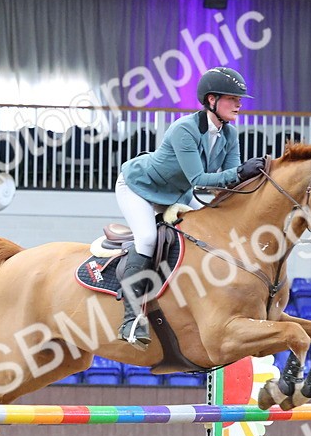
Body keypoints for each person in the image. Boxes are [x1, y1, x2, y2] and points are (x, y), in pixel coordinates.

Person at [113, 67, 266, 348]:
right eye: (232, 98)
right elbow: (199, 180)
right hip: (139, 188)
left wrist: (253, 176)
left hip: (176, 195)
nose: (239, 104)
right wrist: (241, 172)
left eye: (239, 98)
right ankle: (131, 320)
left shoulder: (230, 135)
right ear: (211, 100)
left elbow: (230, 182)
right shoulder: (184, 129)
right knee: (147, 238)